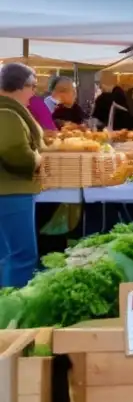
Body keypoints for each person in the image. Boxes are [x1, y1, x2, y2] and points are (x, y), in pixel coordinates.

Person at [0, 63, 44, 287]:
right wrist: (37, 159)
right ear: (19, 86)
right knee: (21, 256)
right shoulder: (7, 112)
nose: (34, 92)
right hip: (11, 193)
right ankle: (14, 313)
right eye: (33, 86)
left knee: (8, 255)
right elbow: (13, 151)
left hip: (8, 192)